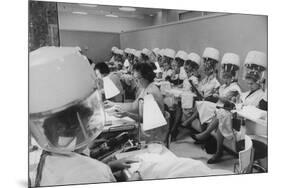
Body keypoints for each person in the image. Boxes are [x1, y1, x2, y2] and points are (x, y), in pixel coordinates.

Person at [29, 47, 137, 187]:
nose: (91, 126)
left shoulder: (47, 157)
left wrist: (108, 166)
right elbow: (86, 173)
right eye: (88, 123)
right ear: (78, 126)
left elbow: (76, 168)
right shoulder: (92, 173)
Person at [191, 53, 243, 164]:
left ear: (232, 77)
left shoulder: (235, 88)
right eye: (224, 76)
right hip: (221, 111)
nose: (225, 79)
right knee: (212, 110)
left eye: (227, 77)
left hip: (231, 113)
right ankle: (216, 149)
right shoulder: (224, 86)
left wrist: (218, 96)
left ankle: (206, 135)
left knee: (222, 115)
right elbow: (217, 96)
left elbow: (228, 101)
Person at [104, 62, 168, 143]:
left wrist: (127, 114)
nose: (135, 82)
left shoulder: (151, 92)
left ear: (146, 77)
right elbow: (134, 106)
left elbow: (146, 120)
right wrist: (114, 104)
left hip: (152, 135)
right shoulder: (145, 88)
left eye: (137, 79)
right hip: (146, 128)